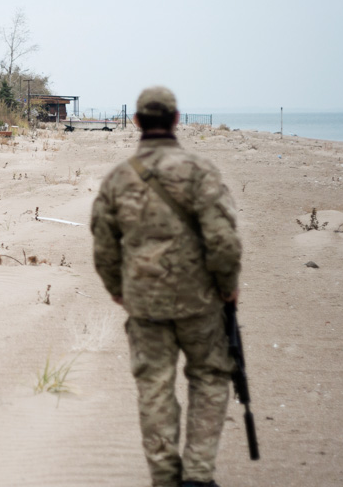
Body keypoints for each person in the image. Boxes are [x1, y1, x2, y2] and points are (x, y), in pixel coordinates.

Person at [90, 86, 242, 487]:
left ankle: (164, 476)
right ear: (176, 120)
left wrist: (118, 289)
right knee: (210, 378)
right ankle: (197, 474)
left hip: (145, 303)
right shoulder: (200, 172)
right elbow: (223, 241)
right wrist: (228, 287)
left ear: (137, 122)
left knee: (154, 387)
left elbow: (103, 245)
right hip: (201, 302)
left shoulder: (118, 179)